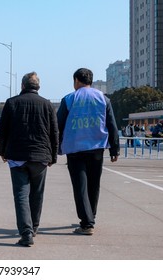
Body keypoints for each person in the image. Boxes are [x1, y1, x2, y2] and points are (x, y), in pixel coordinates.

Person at [0, 72, 59, 247]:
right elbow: (54, 132)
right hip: (40, 157)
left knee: (21, 195)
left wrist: (3, 151)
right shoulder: (47, 105)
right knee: (37, 194)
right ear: (37, 87)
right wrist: (53, 156)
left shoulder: (12, 103)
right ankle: (34, 227)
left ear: (23, 86)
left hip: (17, 157)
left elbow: (3, 131)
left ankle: (26, 233)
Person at [57, 68, 120, 235]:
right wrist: (115, 149)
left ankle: (86, 223)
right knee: (94, 184)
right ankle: (91, 216)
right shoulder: (103, 99)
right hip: (97, 148)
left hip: (75, 148)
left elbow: (58, 125)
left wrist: (55, 147)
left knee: (80, 186)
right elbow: (111, 124)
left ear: (77, 80)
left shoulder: (69, 99)